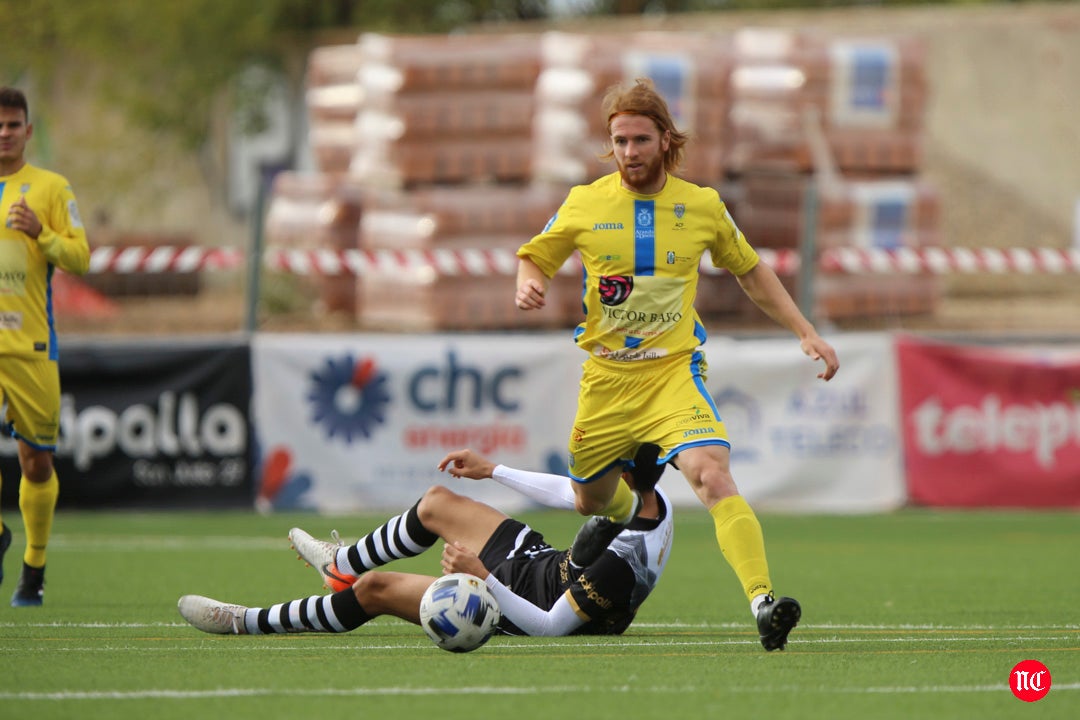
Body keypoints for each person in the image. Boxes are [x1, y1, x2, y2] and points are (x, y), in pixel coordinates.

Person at [513, 78, 840, 651]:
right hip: (607, 383)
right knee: (591, 499)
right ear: (609, 143)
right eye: (619, 140)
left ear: (667, 140)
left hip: (673, 375)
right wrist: (530, 284)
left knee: (711, 475)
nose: (630, 152)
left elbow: (752, 271)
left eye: (641, 139)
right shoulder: (584, 202)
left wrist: (804, 330)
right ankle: (619, 511)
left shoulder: (702, 205)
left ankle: (763, 602)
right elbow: (536, 258)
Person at [178, 445, 674, 639]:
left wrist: (482, 577)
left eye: (602, 470)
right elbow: (572, 494)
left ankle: (245, 623)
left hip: (525, 606)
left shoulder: (626, 562)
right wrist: (493, 470)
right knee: (438, 501)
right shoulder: (640, 498)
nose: (589, 478)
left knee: (374, 590)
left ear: (624, 478)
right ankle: (339, 564)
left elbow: (551, 628)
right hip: (540, 564)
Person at [0, 87, 90, 607]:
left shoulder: (50, 188)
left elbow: (81, 257)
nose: (4, 134)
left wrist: (42, 234)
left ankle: (33, 567)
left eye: (13, 125)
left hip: (31, 345)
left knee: (35, 462)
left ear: (27, 131)